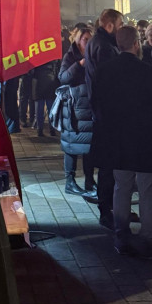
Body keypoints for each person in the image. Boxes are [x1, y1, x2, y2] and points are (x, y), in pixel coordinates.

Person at [91, 25, 152, 258]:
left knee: (121, 187)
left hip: (116, 138)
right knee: (147, 189)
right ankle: (148, 237)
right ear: (137, 43)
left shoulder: (103, 71)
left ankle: (121, 236)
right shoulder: (146, 70)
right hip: (145, 137)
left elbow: (95, 104)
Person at [58, 26, 97, 199]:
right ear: (78, 40)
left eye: (90, 40)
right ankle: (70, 181)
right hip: (73, 110)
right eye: (85, 39)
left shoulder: (94, 55)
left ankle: (89, 180)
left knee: (89, 146)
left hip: (88, 108)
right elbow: (63, 77)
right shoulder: (70, 56)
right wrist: (79, 65)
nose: (88, 43)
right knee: (71, 145)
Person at [83, 8, 122, 100]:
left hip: (98, 99)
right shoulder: (104, 47)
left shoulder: (95, 41)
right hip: (106, 101)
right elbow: (109, 79)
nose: (122, 29)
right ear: (110, 26)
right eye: (120, 25)